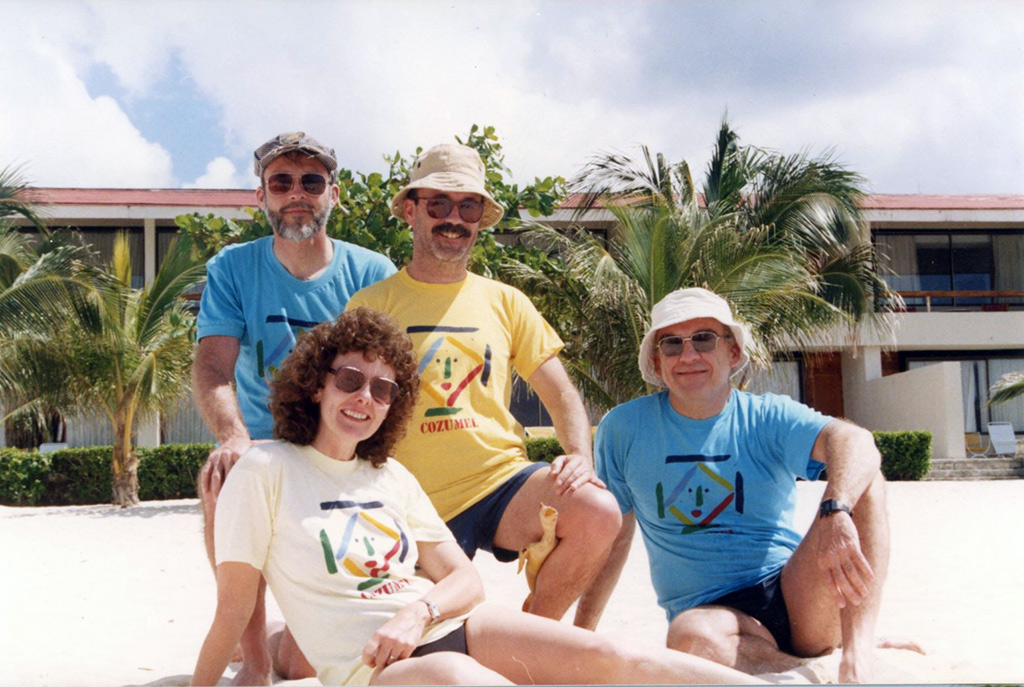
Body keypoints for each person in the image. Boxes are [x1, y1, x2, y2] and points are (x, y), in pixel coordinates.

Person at [191, 307, 762, 687]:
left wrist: (418, 612)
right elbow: (231, 610)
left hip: (450, 625)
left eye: (383, 389)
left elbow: (465, 580)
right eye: (349, 380)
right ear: (316, 384)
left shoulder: (390, 476)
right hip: (377, 670)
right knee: (471, 682)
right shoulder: (266, 469)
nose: (365, 397)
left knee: (615, 659)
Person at [347, 143, 621, 629]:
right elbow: (345, 405)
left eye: (468, 207)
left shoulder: (507, 301)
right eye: (439, 204)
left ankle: (537, 632)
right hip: (406, 499)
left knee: (597, 510)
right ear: (410, 211)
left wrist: (580, 456)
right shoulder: (371, 304)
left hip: (499, 484)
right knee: (386, 644)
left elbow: (561, 393)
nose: (454, 218)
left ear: (480, 220)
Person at [589, 287, 894, 683]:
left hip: (798, 596)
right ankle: (805, 670)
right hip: (709, 616)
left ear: (732, 352)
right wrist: (582, 635)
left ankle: (857, 654)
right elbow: (612, 536)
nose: (688, 356)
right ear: (656, 361)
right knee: (689, 637)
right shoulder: (623, 428)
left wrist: (836, 509)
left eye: (704, 339)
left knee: (865, 478)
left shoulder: (767, 416)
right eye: (672, 344)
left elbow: (856, 441)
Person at [192, 132, 396, 683]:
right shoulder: (233, 268)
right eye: (281, 182)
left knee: (306, 665)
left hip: (338, 444)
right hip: (263, 440)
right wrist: (233, 437)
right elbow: (212, 367)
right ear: (262, 195)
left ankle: (281, 643)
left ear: (334, 193)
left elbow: (387, 375)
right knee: (225, 476)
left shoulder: (372, 272)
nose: (296, 193)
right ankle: (254, 659)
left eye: (311, 181)